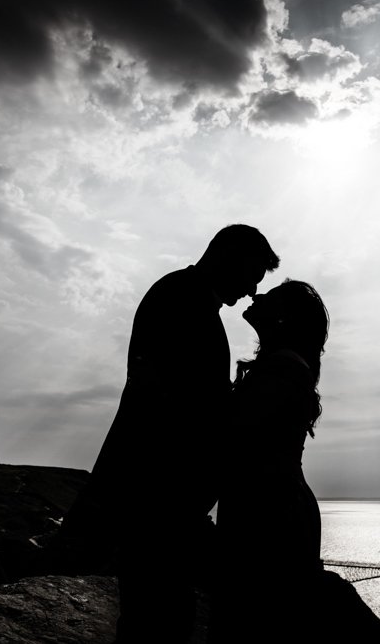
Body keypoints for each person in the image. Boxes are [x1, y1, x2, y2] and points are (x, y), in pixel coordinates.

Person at [57, 225, 280, 644]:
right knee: (157, 618)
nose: (252, 290)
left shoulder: (186, 296)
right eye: (252, 275)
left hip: (162, 496)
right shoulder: (182, 299)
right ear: (227, 254)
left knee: (158, 613)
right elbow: (173, 404)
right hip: (159, 494)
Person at [211, 280, 380, 643]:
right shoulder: (283, 365)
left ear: (284, 318)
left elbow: (233, 435)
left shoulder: (283, 368)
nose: (256, 296)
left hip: (269, 510)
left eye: (270, 297)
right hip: (273, 502)